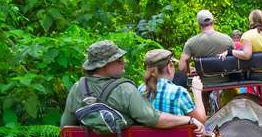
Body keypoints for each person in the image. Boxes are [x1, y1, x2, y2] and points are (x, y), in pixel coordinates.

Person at [61, 40, 201, 131]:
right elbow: (153, 119)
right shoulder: (124, 89)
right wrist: (189, 120)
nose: (124, 62)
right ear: (104, 65)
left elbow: (66, 127)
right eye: (118, 60)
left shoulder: (77, 87)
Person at [178, 10, 235, 91]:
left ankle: (205, 103)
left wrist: (189, 68)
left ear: (198, 24)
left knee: (203, 95)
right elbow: (236, 60)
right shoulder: (227, 39)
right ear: (213, 21)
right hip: (227, 83)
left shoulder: (191, 43)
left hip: (204, 86)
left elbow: (181, 67)